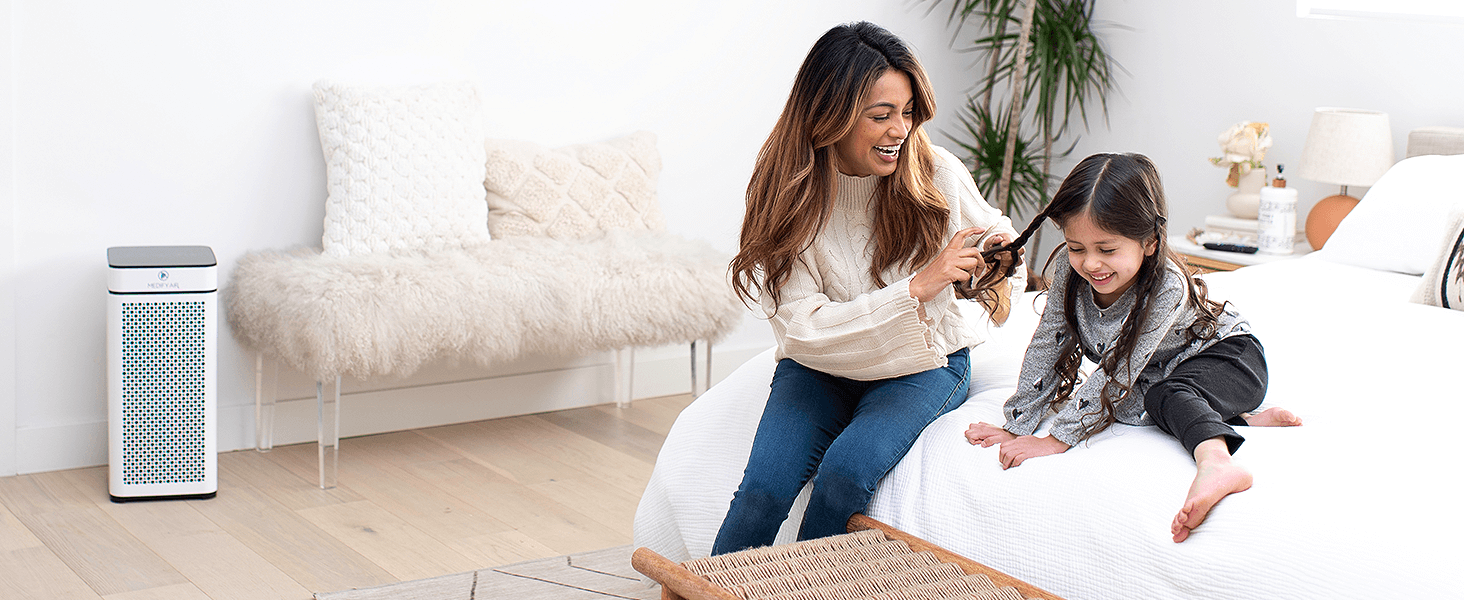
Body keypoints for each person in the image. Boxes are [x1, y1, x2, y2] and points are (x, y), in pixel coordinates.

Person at [714, 21, 1026, 555]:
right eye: (880, 115)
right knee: (762, 493)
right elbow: (802, 329)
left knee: (843, 476)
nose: (899, 130)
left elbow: (1003, 251)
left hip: (922, 366)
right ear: (828, 116)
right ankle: (707, 591)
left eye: (907, 113)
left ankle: (806, 591)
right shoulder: (787, 191)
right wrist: (917, 287)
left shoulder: (935, 172)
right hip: (821, 366)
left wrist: (992, 263)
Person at [965, 152, 1303, 543]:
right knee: (1125, 405)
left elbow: (1120, 369)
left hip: (1230, 358)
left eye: (1107, 250)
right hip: (1160, 367)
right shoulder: (1067, 275)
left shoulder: (1167, 285)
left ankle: (1218, 464)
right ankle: (1245, 420)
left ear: (1150, 243)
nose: (1091, 264)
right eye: (1076, 248)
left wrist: (1054, 440)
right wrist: (1016, 424)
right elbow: (1048, 343)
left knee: (1162, 393)